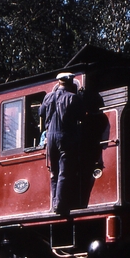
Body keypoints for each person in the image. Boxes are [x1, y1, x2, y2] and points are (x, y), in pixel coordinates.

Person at [39, 72, 83, 215]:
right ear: (70, 83)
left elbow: (41, 113)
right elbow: (81, 116)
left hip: (50, 135)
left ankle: (54, 203)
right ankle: (60, 204)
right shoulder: (72, 98)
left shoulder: (48, 97)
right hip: (65, 135)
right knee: (64, 170)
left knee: (53, 171)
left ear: (58, 83)